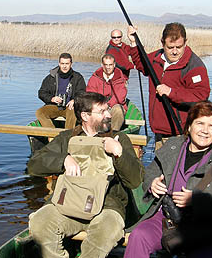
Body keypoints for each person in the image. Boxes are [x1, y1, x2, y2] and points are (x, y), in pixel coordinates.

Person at [28, 92, 144, 258]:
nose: (109, 115)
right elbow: (34, 164)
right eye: (102, 111)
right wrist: (63, 160)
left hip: (107, 207)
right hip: (68, 203)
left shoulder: (119, 138)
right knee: (40, 223)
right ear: (85, 115)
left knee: (104, 233)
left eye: (108, 110)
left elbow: (135, 180)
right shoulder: (67, 138)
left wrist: (119, 153)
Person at [124, 101, 212, 258]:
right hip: (169, 218)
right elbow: (150, 173)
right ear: (189, 126)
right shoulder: (172, 146)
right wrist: (152, 184)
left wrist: (197, 200)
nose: (205, 131)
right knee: (139, 236)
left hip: (208, 227)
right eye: (200, 123)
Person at [128, 23, 210, 148]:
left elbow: (201, 95)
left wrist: (171, 92)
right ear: (162, 43)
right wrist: (134, 43)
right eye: (170, 47)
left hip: (181, 133)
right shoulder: (156, 58)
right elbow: (141, 64)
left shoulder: (194, 65)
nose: (175, 51)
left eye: (179, 47)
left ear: (185, 42)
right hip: (159, 132)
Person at [36, 53, 86, 129]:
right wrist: (51, 98)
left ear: (71, 64)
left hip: (69, 108)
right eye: (62, 63)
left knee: (73, 111)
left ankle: (67, 135)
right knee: (40, 112)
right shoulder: (51, 77)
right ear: (59, 64)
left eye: (67, 63)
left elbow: (82, 93)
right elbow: (41, 92)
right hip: (54, 106)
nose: (64, 66)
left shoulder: (77, 77)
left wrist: (74, 100)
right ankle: (51, 135)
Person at [86, 54, 128, 131]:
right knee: (90, 110)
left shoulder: (120, 79)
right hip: (98, 106)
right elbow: (90, 95)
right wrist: (100, 107)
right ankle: (95, 132)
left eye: (110, 65)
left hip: (113, 106)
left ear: (114, 65)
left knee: (118, 110)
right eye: (105, 65)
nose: (108, 67)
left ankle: (114, 132)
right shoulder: (94, 78)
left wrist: (107, 105)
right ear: (102, 65)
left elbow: (120, 97)